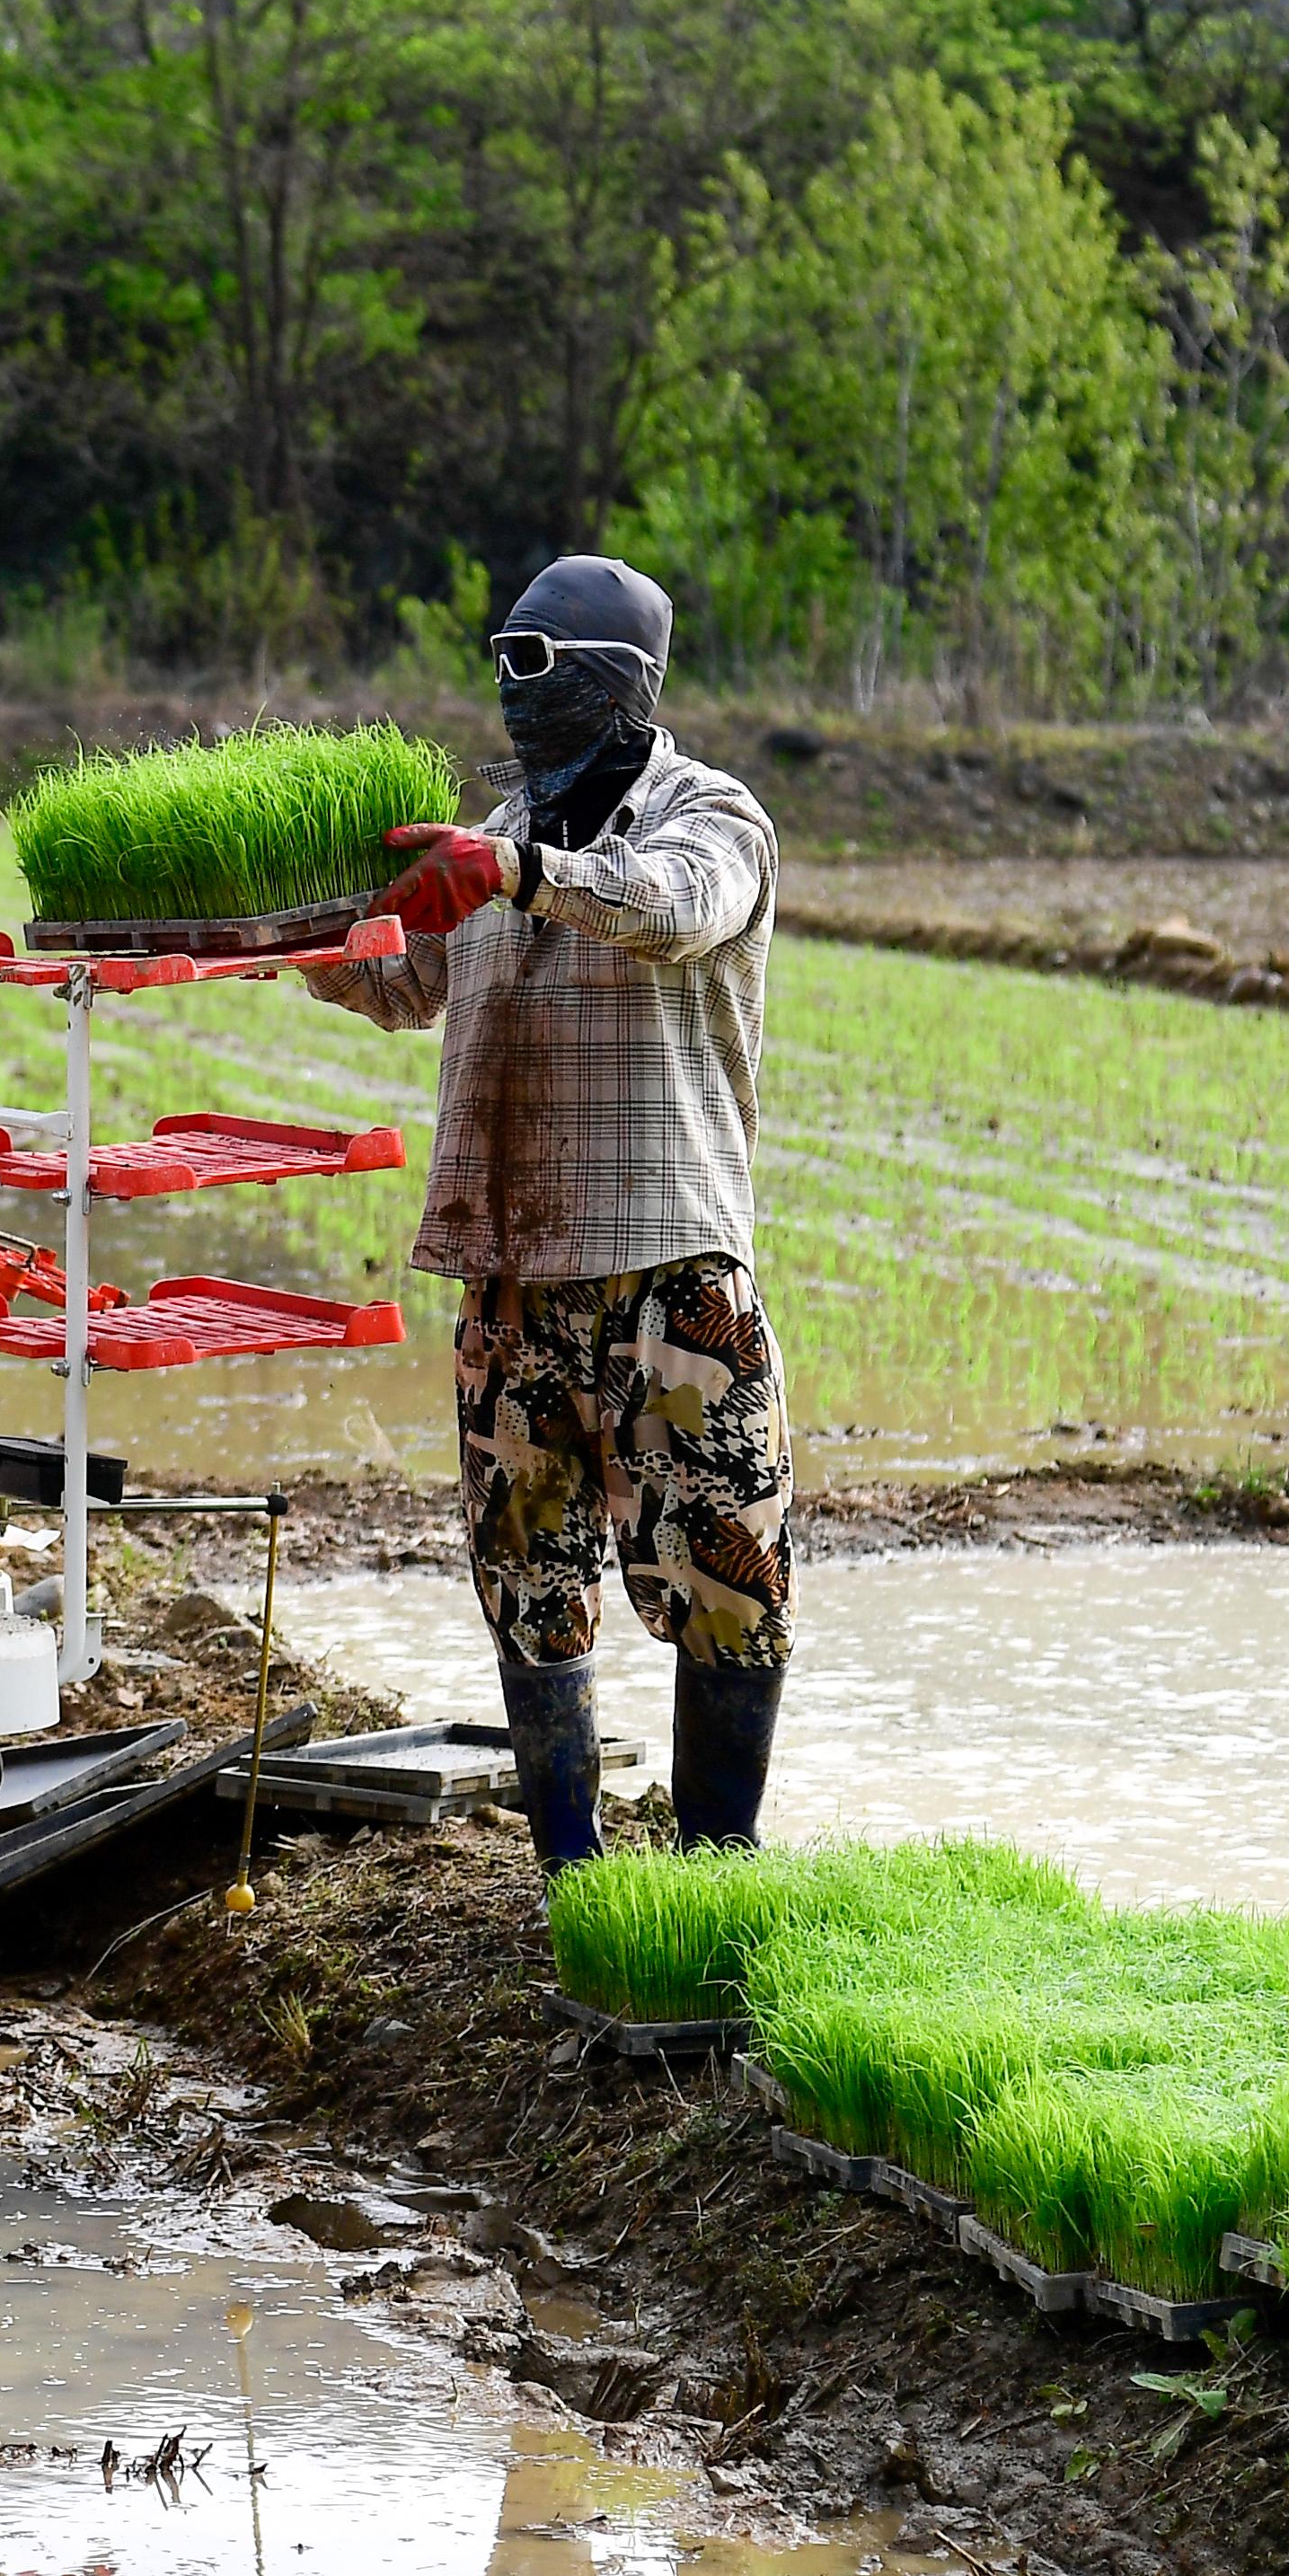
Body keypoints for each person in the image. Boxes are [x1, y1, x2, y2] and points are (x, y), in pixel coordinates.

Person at [301, 553, 788, 1872]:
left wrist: (512, 872)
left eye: (535, 663)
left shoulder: (707, 816)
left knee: (720, 1580)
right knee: (526, 1581)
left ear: (621, 681)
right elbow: (403, 987)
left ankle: (712, 1877)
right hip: (505, 1275)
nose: (508, 693)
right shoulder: (497, 834)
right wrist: (300, 932)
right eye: (498, 660)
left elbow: (675, 912)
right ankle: (570, 1875)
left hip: (663, 1271)